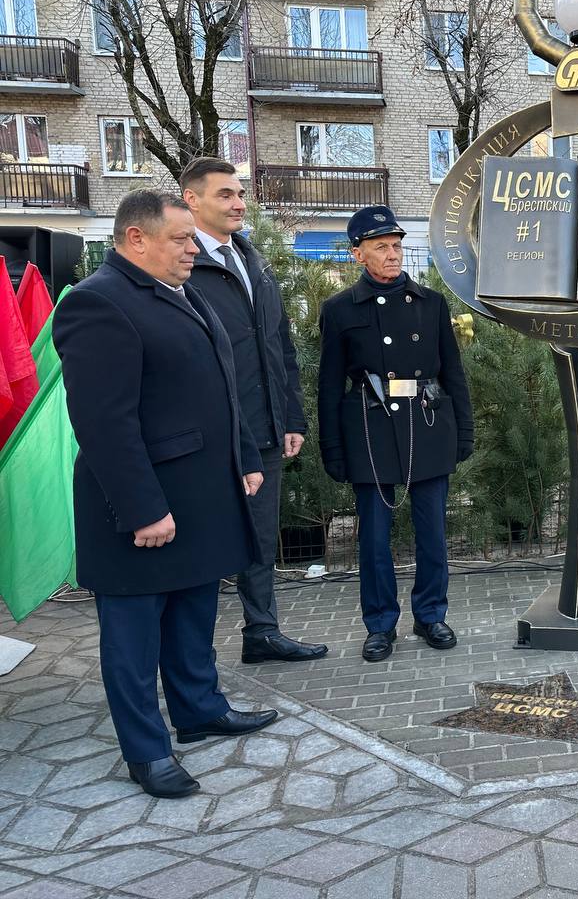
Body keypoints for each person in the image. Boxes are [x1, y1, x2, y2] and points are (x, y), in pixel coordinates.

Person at [53, 191, 278, 799]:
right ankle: (146, 752)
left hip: (201, 494)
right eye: (180, 239)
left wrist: (244, 461)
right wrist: (143, 508)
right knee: (133, 635)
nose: (192, 248)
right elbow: (103, 422)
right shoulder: (96, 303)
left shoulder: (184, 292)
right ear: (135, 239)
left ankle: (199, 708)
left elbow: (221, 391)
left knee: (193, 614)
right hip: (143, 508)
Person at [180, 157, 327, 666]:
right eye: (225, 194)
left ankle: (261, 633)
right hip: (211, 436)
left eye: (240, 193)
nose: (239, 203)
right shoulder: (180, 264)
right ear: (191, 200)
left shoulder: (253, 258)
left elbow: (278, 345)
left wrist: (290, 417)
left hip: (263, 432)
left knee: (261, 539)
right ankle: (191, 665)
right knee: (201, 546)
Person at [318, 206, 474, 662]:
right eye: (381, 247)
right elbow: (328, 385)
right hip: (371, 428)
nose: (393, 255)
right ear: (357, 255)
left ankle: (430, 615)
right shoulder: (340, 310)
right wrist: (333, 447)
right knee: (374, 538)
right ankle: (380, 624)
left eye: (397, 246)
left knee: (432, 533)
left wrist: (464, 429)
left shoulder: (430, 303)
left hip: (425, 424)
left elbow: (453, 374)